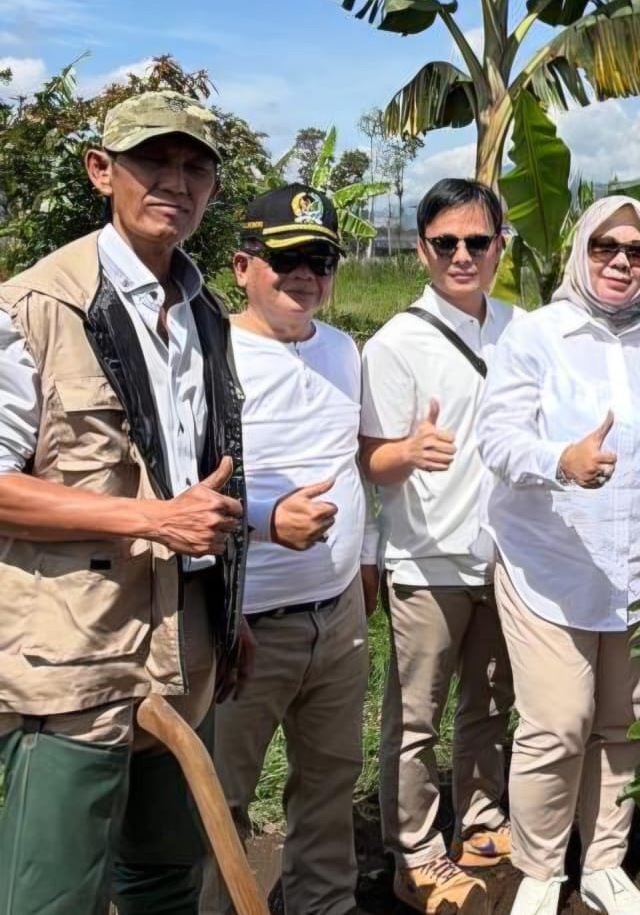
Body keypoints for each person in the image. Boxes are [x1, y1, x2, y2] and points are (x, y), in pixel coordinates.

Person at [0, 90, 252, 914]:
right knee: (52, 890)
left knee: (166, 875)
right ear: (102, 171)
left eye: (195, 167)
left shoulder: (207, 314)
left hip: (186, 643)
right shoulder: (36, 305)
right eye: (153, 161)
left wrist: (229, 604)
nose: (175, 182)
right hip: (76, 647)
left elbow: (207, 473)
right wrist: (151, 519)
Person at [476, 195, 640, 915]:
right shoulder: (537, 337)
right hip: (549, 564)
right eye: (606, 246)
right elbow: (497, 439)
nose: (621, 261)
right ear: (581, 250)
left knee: (623, 720)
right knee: (558, 723)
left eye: (637, 251)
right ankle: (542, 866)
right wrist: (561, 461)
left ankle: (605, 862)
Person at [200, 185, 369, 915]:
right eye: (286, 258)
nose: (305, 275)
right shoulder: (211, 356)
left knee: (330, 787)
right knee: (219, 801)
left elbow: (357, 462)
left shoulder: (342, 349)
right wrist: (268, 518)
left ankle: (322, 907)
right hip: (242, 621)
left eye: (320, 260)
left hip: (336, 617)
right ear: (242, 266)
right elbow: (180, 487)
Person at [359, 179, 519, 915]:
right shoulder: (397, 343)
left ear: (499, 246)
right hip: (427, 560)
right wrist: (408, 451)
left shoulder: (524, 330)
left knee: (490, 702)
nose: (462, 255)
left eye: (477, 242)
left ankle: (482, 824)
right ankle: (415, 851)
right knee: (415, 717)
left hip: (507, 556)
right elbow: (369, 460)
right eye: (446, 242)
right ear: (423, 248)